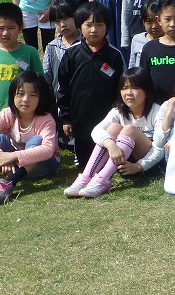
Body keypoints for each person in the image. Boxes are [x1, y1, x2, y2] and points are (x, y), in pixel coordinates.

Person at [64, 67, 163, 198]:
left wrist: (139, 166)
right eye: (124, 88)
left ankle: (103, 179)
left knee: (129, 129)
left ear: (147, 91)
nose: (128, 93)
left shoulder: (158, 111)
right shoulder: (119, 110)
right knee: (113, 128)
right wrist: (111, 145)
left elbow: (160, 148)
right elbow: (96, 131)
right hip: (124, 162)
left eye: (134, 87)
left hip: (151, 165)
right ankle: (86, 177)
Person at [57, 1, 126, 169]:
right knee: (84, 163)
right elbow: (62, 88)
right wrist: (66, 118)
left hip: (106, 118)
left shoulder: (114, 56)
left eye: (99, 25)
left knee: (105, 159)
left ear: (107, 27)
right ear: (80, 27)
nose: (94, 30)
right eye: (88, 25)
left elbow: (122, 88)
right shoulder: (72, 54)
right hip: (79, 118)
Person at [0, 71, 59, 206]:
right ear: (13, 95)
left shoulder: (46, 120)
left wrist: (13, 156)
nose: (25, 99)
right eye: (20, 94)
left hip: (43, 165)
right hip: (14, 160)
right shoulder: (8, 114)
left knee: (37, 141)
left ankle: (9, 183)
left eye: (32, 95)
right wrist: (0, 155)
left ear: (41, 98)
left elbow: (48, 150)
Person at [0, 2, 43, 129]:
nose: (5, 33)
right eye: (1, 28)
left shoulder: (30, 52)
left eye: (11, 28)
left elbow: (40, 84)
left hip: (26, 119)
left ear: (21, 27)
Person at [127, 0, 162, 69]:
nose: (154, 26)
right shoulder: (137, 39)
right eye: (149, 21)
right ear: (143, 21)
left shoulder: (169, 41)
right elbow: (132, 66)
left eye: (158, 21)